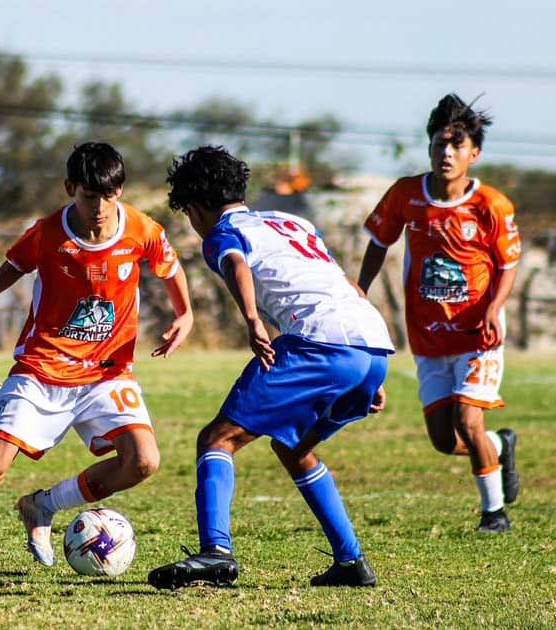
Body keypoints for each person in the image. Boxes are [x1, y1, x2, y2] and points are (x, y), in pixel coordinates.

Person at [0, 142, 194, 571]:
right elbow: (15, 264)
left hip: (107, 373)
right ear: (70, 188)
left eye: (108, 196)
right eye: (89, 196)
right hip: (41, 370)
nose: (99, 207)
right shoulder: (50, 232)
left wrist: (184, 314)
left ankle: (43, 506)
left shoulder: (141, 230)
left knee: (144, 460)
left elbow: (169, 266)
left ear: (121, 191)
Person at [148, 146, 394, 591]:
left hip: (319, 342)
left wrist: (252, 320)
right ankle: (351, 562)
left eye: (188, 211)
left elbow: (237, 264)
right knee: (293, 446)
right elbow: (346, 284)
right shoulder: (292, 222)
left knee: (216, 438)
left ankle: (216, 552)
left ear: (196, 206)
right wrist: (370, 366)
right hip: (369, 341)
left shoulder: (222, 231)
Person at [357, 94, 521, 533]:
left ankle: (494, 513)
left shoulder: (491, 205)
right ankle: (500, 448)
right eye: (438, 143)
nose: (445, 152)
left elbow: (507, 265)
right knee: (445, 441)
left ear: (474, 152)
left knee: (469, 422)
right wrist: (361, 288)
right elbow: (379, 241)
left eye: (456, 144)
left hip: (476, 334)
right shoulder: (406, 195)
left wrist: (495, 308)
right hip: (428, 337)